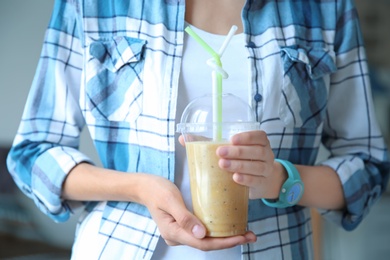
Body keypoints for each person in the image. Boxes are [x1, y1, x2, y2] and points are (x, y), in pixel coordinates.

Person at [7, 0, 390, 259]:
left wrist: (279, 179)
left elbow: (368, 166)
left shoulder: (324, 9)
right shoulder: (93, 5)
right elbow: (34, 153)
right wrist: (140, 188)